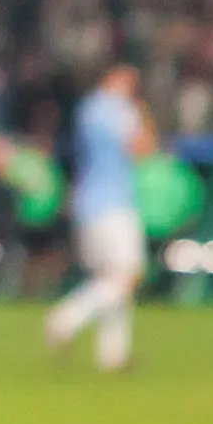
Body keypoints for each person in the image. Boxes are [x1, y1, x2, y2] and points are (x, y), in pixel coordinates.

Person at [44, 64, 156, 370]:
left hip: (87, 203)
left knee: (109, 278)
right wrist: (144, 117)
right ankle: (65, 319)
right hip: (115, 202)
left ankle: (113, 355)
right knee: (128, 275)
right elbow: (142, 149)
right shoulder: (122, 110)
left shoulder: (88, 109)